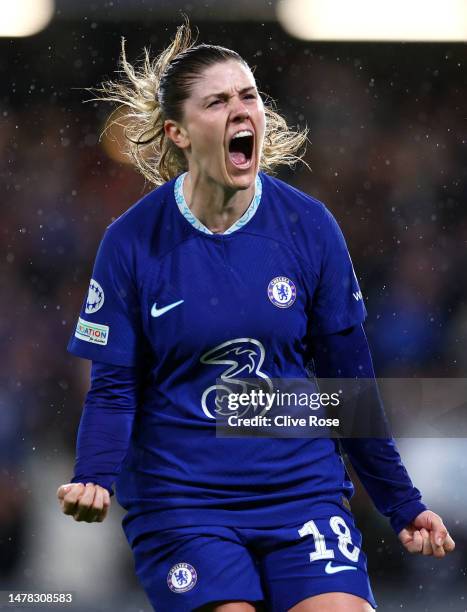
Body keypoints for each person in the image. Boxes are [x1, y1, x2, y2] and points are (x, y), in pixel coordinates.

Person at [57, 23, 455, 612]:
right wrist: (95, 474)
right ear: (179, 133)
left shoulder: (309, 227)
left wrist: (401, 502)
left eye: (249, 96)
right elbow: (115, 388)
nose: (241, 109)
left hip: (301, 494)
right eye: (218, 101)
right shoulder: (132, 242)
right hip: (184, 502)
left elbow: (348, 387)